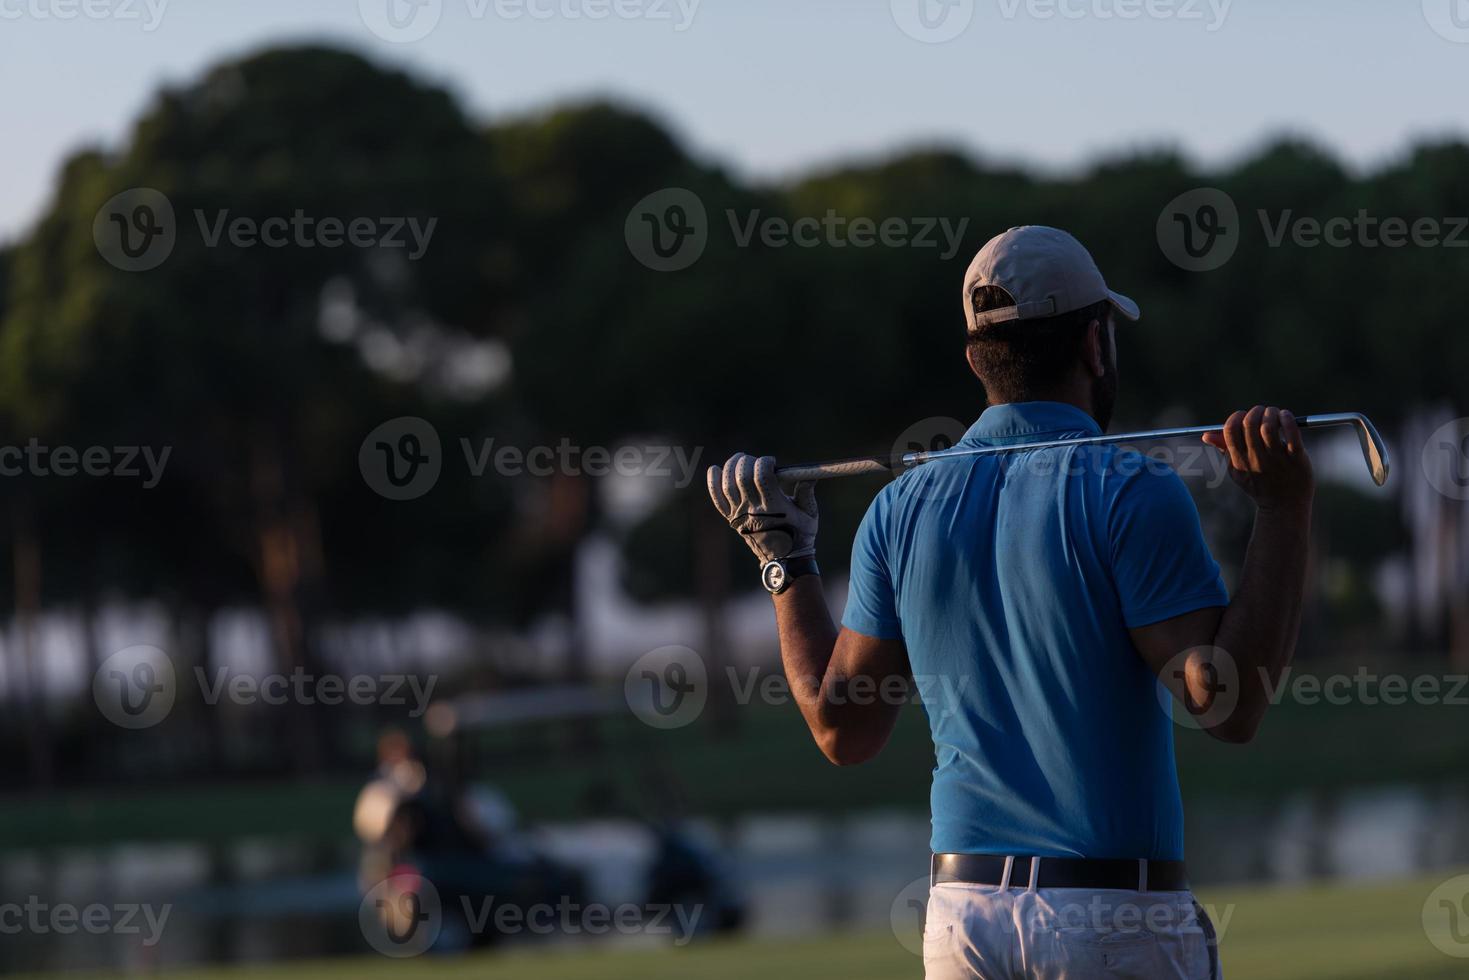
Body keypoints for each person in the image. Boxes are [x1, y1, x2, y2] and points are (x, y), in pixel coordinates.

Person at [706, 226, 1314, 979]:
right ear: (1096, 345)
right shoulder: (1131, 489)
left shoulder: (898, 508)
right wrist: (1283, 514)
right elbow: (1226, 707)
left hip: (962, 922)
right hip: (1110, 915)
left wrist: (784, 561)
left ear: (975, 360)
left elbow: (843, 731)